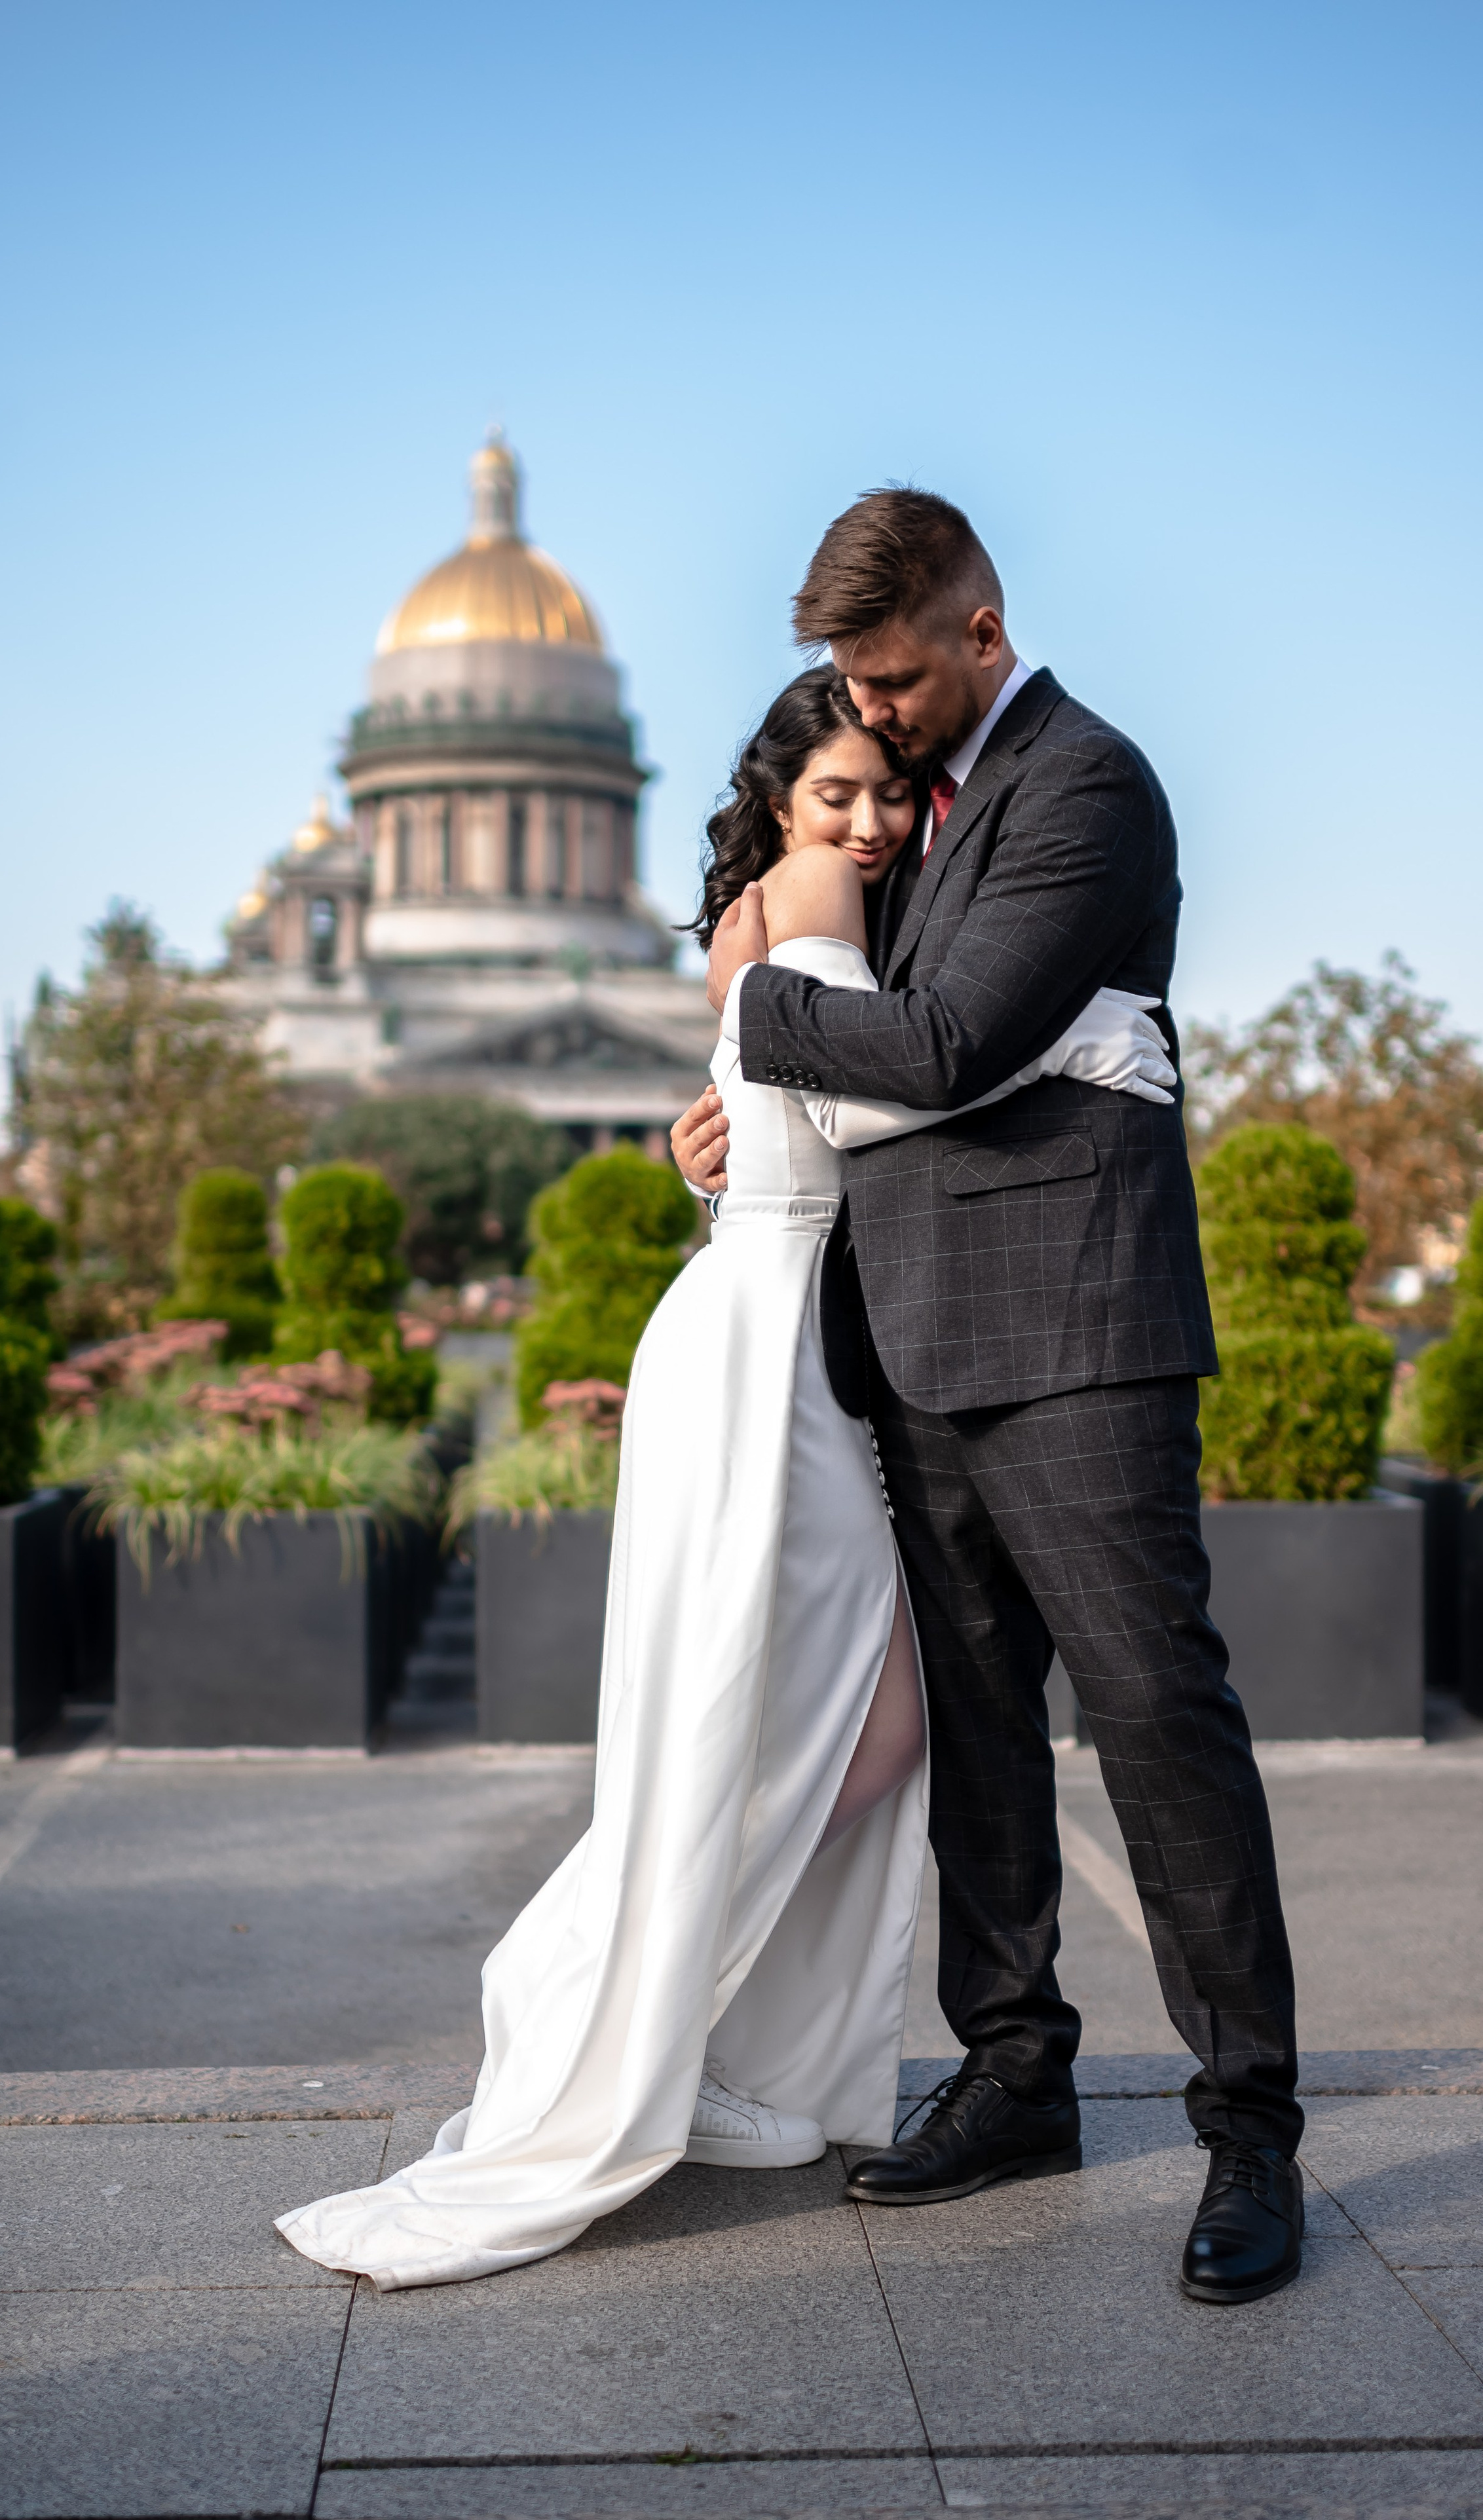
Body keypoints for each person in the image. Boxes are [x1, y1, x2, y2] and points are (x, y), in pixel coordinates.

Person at [274, 669, 1173, 2293]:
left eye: (887, 792)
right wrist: (1100, 1043)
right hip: (772, 1357)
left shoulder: (767, 911)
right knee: (847, 1716)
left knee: (846, 1716)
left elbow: (798, 1101)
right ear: (774, 796)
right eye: (835, 792)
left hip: (766, 1335)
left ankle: (659, 1972)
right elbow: (892, 1079)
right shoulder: (820, 894)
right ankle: (618, 1971)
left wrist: (713, 1140)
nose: (869, 820)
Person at [681, 490, 1304, 2310]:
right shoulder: (909, 801)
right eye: (844, 686)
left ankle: (1249, 2126)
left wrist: (749, 996)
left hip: (1080, 1331)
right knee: (978, 1730)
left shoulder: (1088, 785)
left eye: (891, 678)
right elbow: (901, 1064)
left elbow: (950, 1043)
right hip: (914, 1336)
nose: (867, 715)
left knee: (1156, 1717)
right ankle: (1018, 2066)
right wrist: (729, 1116)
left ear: (978, 628)